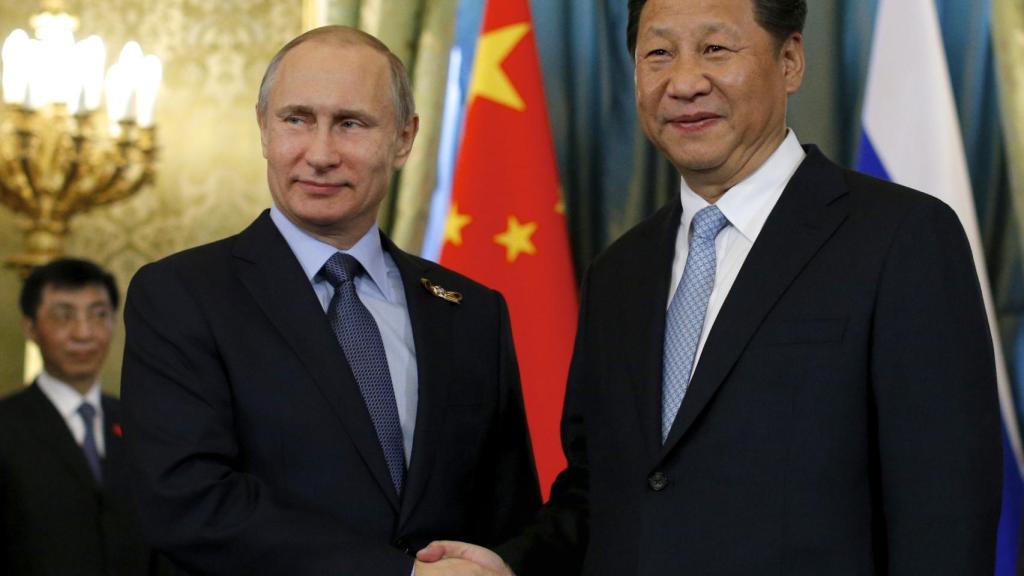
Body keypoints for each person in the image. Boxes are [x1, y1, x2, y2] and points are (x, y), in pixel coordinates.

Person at [418, 0, 1002, 574]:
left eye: (715, 49)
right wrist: (508, 564)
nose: (684, 82)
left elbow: (944, 506)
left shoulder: (901, 237)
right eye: (658, 54)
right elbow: (602, 494)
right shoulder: (620, 272)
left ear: (791, 60)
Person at [121, 25, 540, 575]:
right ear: (264, 129)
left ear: (404, 139)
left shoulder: (471, 311)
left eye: (351, 124)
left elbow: (509, 513)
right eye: (296, 119)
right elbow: (186, 502)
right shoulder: (181, 295)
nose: (320, 154)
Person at [0, 258, 171, 575]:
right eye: (64, 316)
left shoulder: (141, 422)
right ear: (30, 327)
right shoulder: (7, 426)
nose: (84, 332)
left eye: (99, 315)